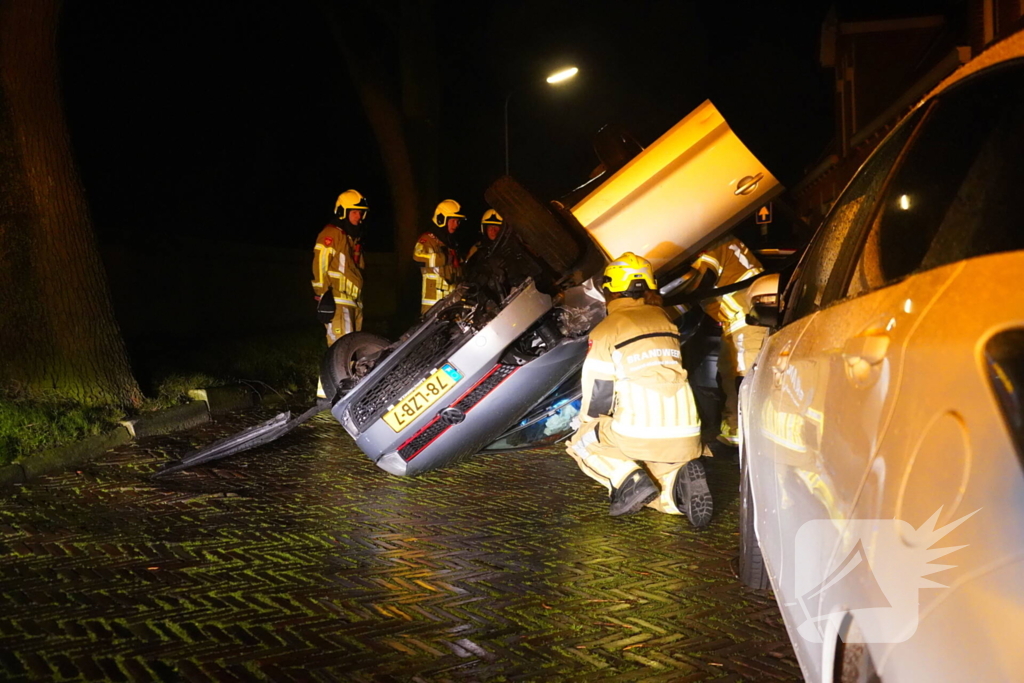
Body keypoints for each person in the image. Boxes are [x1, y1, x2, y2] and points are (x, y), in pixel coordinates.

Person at [565, 252, 712, 527]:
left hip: (638, 431)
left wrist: (588, 424)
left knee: (582, 442)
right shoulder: (664, 320)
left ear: (610, 290)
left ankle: (626, 480)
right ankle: (675, 492)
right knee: (654, 476)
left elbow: (599, 391)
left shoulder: (608, 328)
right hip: (688, 432)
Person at [675, 235, 766, 447]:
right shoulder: (721, 240)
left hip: (748, 319)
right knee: (729, 375)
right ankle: (735, 434)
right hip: (741, 321)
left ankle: (742, 438)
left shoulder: (713, 244)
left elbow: (700, 283)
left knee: (741, 379)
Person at [312, 189, 367, 344]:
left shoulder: (353, 238)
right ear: (343, 211)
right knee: (342, 346)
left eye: (361, 213)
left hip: (354, 300)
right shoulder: (332, 233)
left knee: (354, 345)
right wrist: (323, 294)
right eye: (355, 212)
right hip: (337, 298)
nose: (359, 217)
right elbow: (320, 262)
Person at [414, 199, 464, 314]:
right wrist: (445, 258)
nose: (456, 225)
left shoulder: (451, 242)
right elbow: (418, 258)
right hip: (432, 305)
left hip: (451, 302)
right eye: (453, 220)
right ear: (441, 219)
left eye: (458, 221)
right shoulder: (428, 240)